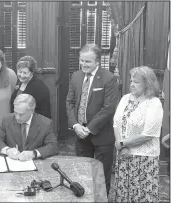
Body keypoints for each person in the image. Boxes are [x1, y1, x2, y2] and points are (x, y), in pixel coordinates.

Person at [66, 43, 118, 195]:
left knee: (101, 175)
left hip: (101, 135)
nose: (83, 64)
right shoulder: (76, 76)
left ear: (97, 62)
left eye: (87, 61)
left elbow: (108, 108)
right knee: (83, 173)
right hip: (80, 134)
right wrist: (75, 125)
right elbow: (69, 102)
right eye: (81, 60)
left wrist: (89, 129)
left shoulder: (109, 78)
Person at [113, 66, 163, 202]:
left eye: (136, 82)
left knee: (141, 196)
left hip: (143, 159)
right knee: (124, 193)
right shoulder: (125, 98)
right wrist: (121, 147)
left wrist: (122, 143)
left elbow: (149, 134)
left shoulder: (154, 103)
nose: (131, 85)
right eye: (131, 81)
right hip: (124, 155)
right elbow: (116, 123)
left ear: (147, 84)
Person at [0, 94, 59, 160]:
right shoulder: (7, 120)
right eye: (15, 112)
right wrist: (7, 150)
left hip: (35, 164)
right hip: (13, 162)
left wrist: (33, 153)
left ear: (32, 111)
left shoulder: (45, 123)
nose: (17, 117)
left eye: (21, 114)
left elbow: (53, 146)